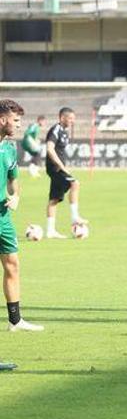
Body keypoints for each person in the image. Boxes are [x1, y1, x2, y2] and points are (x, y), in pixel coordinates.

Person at [0, 100, 43, 333]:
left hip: (3, 217)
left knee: (13, 265)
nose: (19, 125)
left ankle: (15, 321)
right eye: (16, 121)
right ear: (2, 120)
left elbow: (14, 180)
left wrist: (15, 196)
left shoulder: (9, 148)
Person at [45, 107, 87, 239]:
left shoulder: (64, 132)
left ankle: (50, 231)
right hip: (55, 167)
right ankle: (75, 217)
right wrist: (61, 166)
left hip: (58, 168)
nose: (72, 121)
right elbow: (50, 149)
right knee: (75, 184)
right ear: (62, 117)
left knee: (54, 199)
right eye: (70, 118)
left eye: (73, 119)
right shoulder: (55, 130)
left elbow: (59, 151)